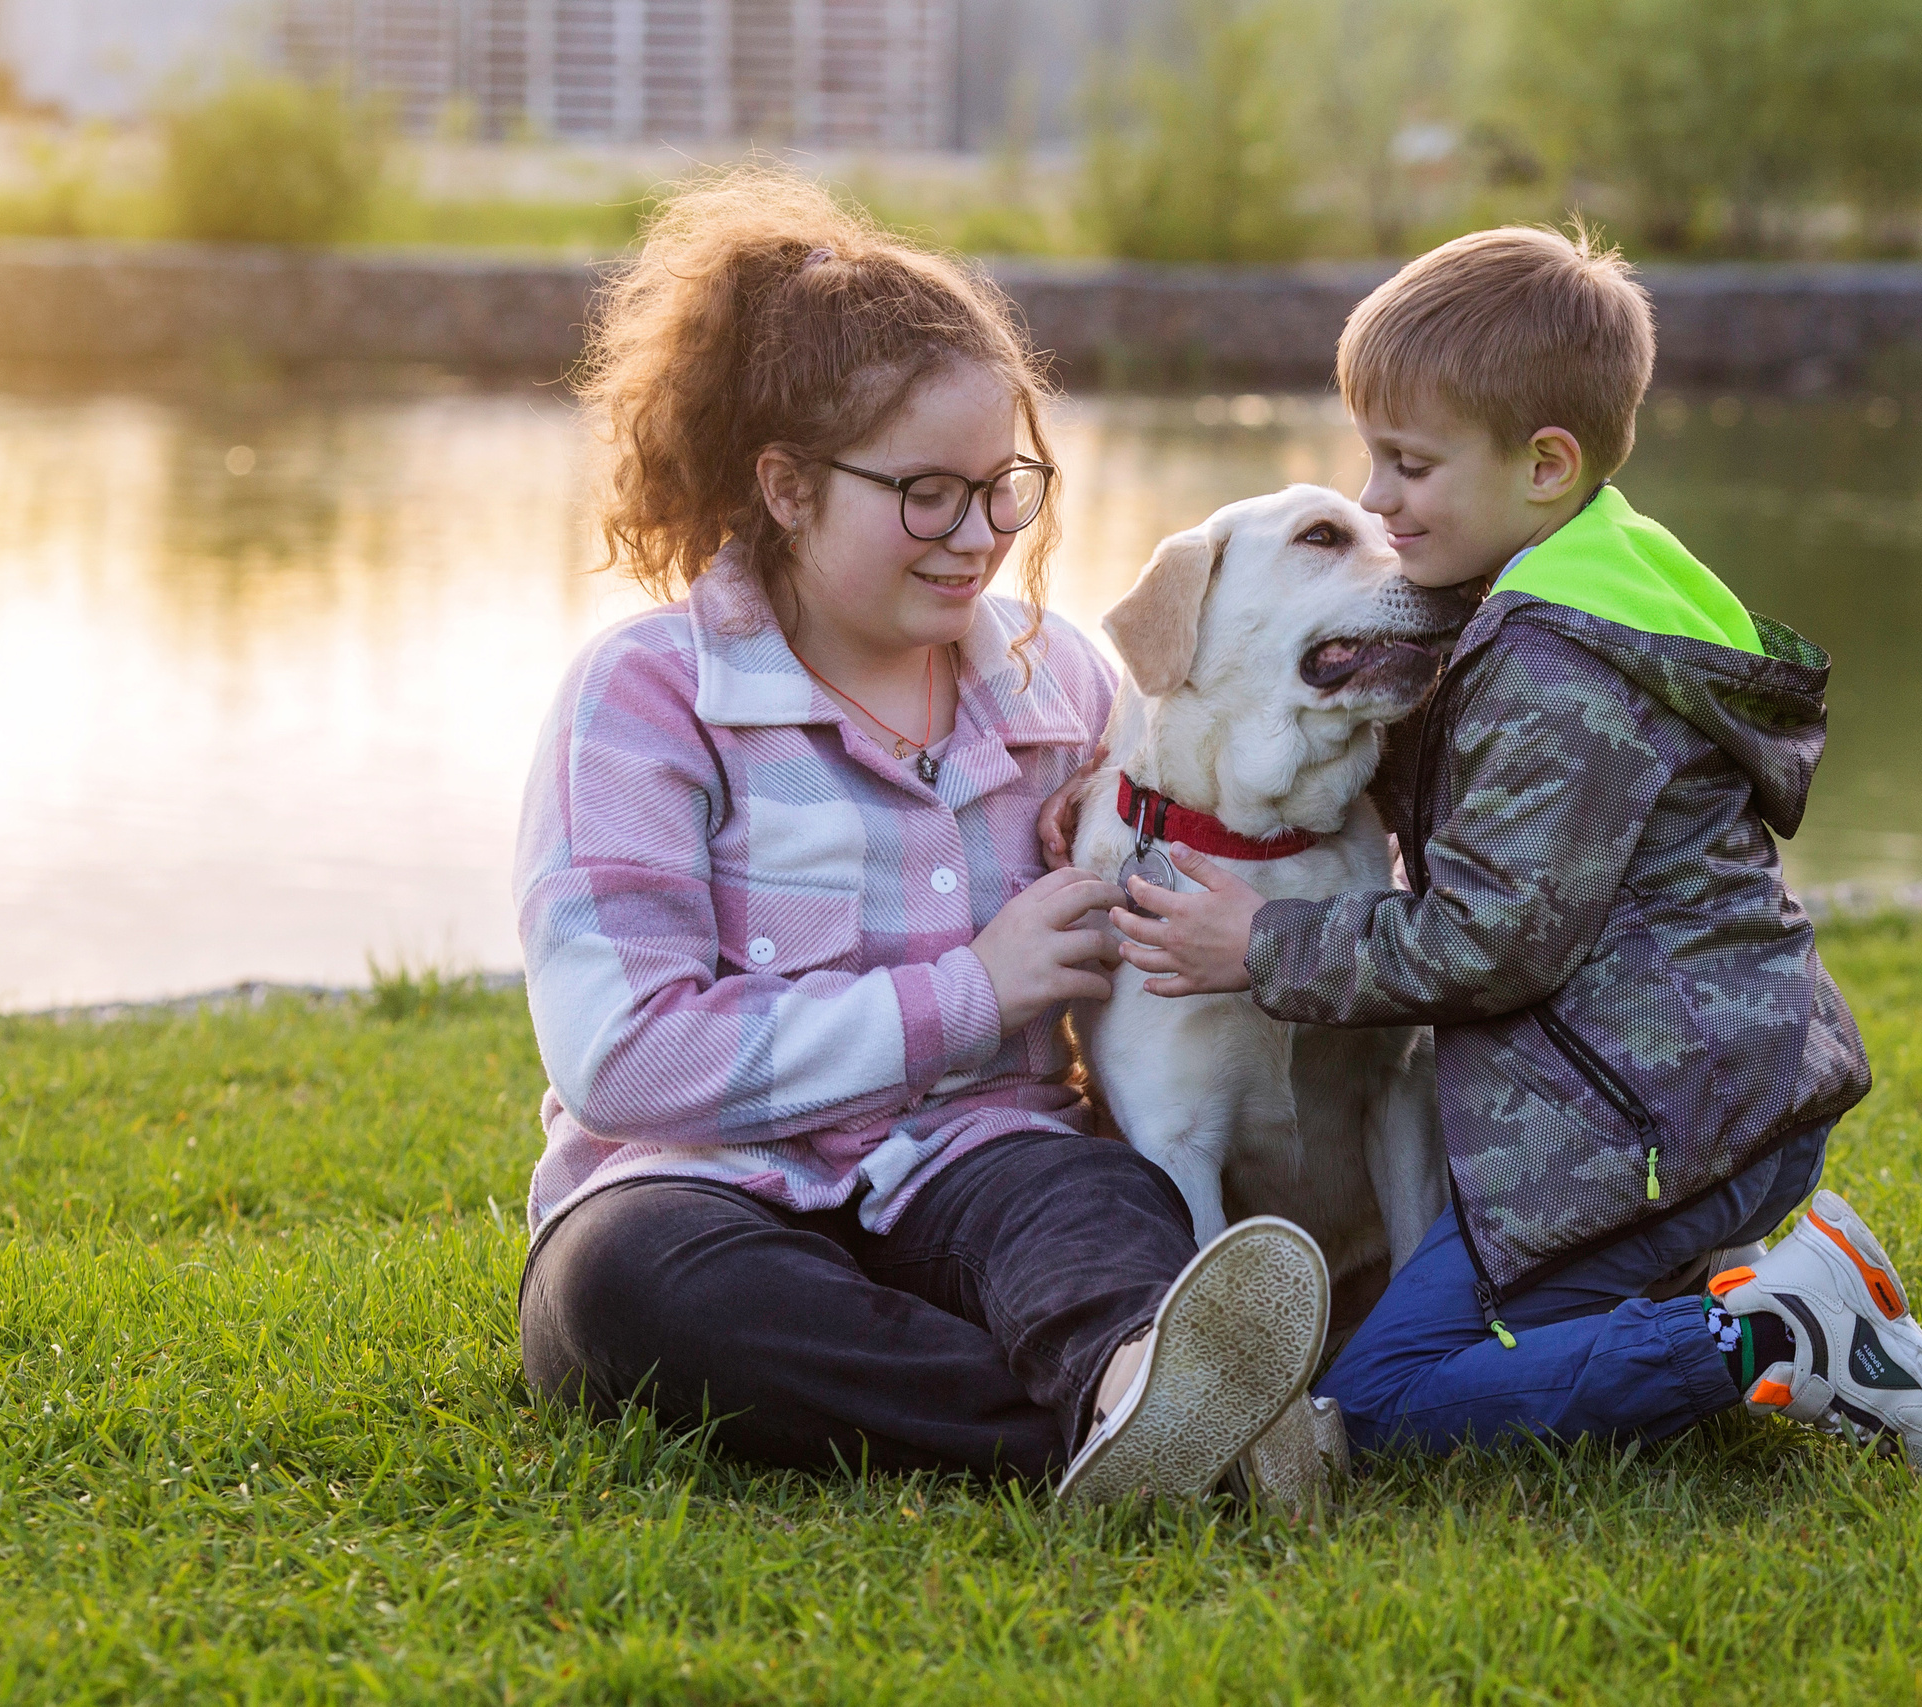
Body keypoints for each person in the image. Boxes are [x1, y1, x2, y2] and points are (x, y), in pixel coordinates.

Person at [510, 169, 1332, 1505]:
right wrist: (975, 990)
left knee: (1102, 1212)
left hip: (982, 1159)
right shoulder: (648, 697)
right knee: (626, 1291)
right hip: (706, 1182)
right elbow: (621, 1053)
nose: (981, 538)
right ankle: (1152, 1429)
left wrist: (1180, 854)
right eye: (928, 495)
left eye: (1006, 485)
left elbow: (1203, 852)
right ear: (786, 486)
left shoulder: (1065, 685)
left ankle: (1139, 1381)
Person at [1101, 225, 1922, 1467]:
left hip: (1640, 1125)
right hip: (1693, 1094)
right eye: (1373, 461)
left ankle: (1773, 1341)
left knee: (1388, 1403)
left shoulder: (1552, 669)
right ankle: (1771, 1284)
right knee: (1425, 1359)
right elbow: (1462, 786)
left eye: (1408, 466)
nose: (1375, 500)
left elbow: (1488, 939)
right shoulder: (1579, 599)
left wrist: (1264, 943)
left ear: (1541, 466)